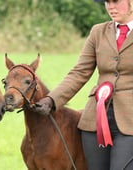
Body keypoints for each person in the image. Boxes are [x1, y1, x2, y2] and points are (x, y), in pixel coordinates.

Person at [34, 0, 133, 169]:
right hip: (95, 121)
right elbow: (80, 72)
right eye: (107, 2)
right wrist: (51, 100)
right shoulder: (98, 31)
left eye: (116, 1)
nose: (110, 7)